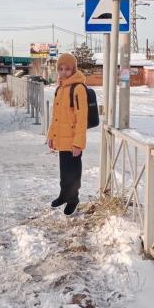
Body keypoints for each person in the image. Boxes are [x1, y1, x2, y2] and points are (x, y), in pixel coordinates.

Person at [47, 52, 88, 216]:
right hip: (62, 139)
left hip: (73, 141)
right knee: (64, 171)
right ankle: (64, 195)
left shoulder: (78, 88)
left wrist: (78, 143)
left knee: (73, 173)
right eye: (61, 69)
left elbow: (82, 118)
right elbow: (55, 117)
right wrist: (51, 136)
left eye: (67, 69)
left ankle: (73, 199)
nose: (64, 72)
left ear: (74, 69)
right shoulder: (60, 89)